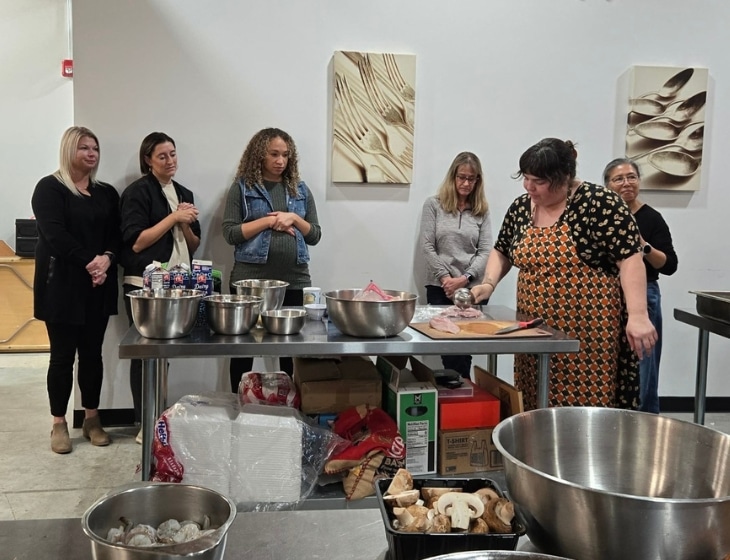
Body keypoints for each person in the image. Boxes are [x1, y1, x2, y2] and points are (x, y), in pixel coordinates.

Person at [471, 138, 657, 410]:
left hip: (588, 338)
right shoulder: (522, 207)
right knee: (535, 402)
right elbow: (502, 250)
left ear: (565, 177)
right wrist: (488, 284)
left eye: (539, 181)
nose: (528, 186)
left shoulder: (599, 204)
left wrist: (639, 315)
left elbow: (630, 257)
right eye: (525, 178)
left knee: (583, 409)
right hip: (534, 335)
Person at [31, 126, 121, 454]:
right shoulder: (49, 189)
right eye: (83, 147)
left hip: (98, 286)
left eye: (94, 148)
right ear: (69, 150)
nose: (91, 153)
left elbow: (116, 235)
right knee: (62, 358)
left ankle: (92, 419)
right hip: (61, 287)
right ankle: (59, 423)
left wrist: (107, 260)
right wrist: (92, 263)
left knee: (92, 356)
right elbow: (55, 235)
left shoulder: (107, 193)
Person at [222, 127, 322, 392]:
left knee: (290, 350)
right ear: (259, 155)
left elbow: (315, 235)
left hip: (295, 280)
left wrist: (294, 219)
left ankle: (289, 406)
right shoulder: (242, 189)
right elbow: (230, 233)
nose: (280, 161)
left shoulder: (300, 189)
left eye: (286, 155)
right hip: (249, 283)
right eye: (274, 154)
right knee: (243, 348)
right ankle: (238, 404)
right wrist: (268, 221)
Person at [119, 132, 201, 442]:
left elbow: (193, 244)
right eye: (162, 156)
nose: (170, 161)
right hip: (144, 284)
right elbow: (137, 242)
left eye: (173, 154)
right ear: (148, 160)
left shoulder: (184, 192)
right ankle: (145, 422)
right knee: (146, 355)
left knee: (165, 356)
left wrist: (183, 222)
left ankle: (160, 419)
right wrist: (174, 217)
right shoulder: (137, 193)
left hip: (178, 284)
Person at [603, 158, 678, 413]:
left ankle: (644, 420)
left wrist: (642, 245)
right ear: (607, 185)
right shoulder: (604, 218)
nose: (626, 183)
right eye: (618, 178)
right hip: (609, 296)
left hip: (644, 296)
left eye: (631, 177)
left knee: (642, 366)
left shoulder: (652, 218)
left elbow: (669, 265)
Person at [419, 151, 493, 378]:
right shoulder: (434, 205)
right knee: (449, 350)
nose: (466, 183)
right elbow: (427, 245)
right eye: (462, 177)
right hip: (440, 288)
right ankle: (461, 395)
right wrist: (446, 279)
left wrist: (465, 279)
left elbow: (485, 250)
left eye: (472, 178)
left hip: (472, 289)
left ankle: (462, 396)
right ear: (453, 177)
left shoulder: (481, 210)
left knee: (465, 348)